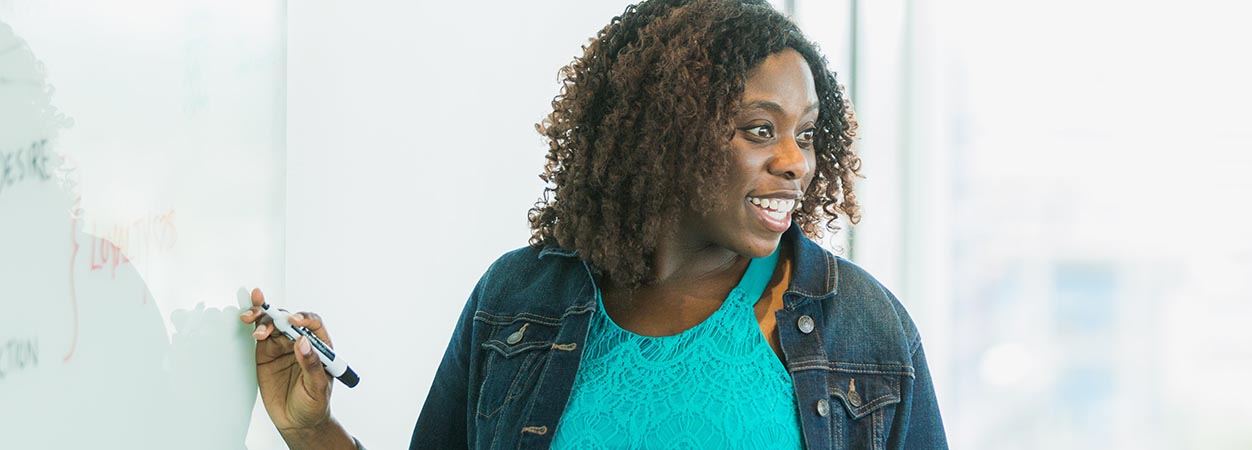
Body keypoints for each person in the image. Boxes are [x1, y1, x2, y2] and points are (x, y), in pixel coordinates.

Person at [240, 0, 949, 448]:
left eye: (807, 133)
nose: (797, 163)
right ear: (665, 132)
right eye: (761, 131)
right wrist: (312, 430)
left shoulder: (862, 327)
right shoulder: (517, 301)